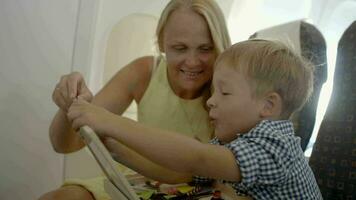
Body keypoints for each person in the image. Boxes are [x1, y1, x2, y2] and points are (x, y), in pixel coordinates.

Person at [67, 39, 323, 199]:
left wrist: (111, 121)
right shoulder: (236, 142)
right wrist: (116, 148)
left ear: (268, 105)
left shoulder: (275, 145)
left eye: (224, 92)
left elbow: (195, 157)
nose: (211, 100)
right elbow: (180, 172)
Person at [39, 0, 231, 200]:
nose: (192, 62)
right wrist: (70, 104)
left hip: (198, 190)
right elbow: (64, 145)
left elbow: (196, 167)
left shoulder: (231, 89)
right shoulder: (144, 72)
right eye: (180, 48)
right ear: (162, 41)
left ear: (219, 45)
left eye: (205, 49)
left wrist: (115, 139)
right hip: (136, 181)